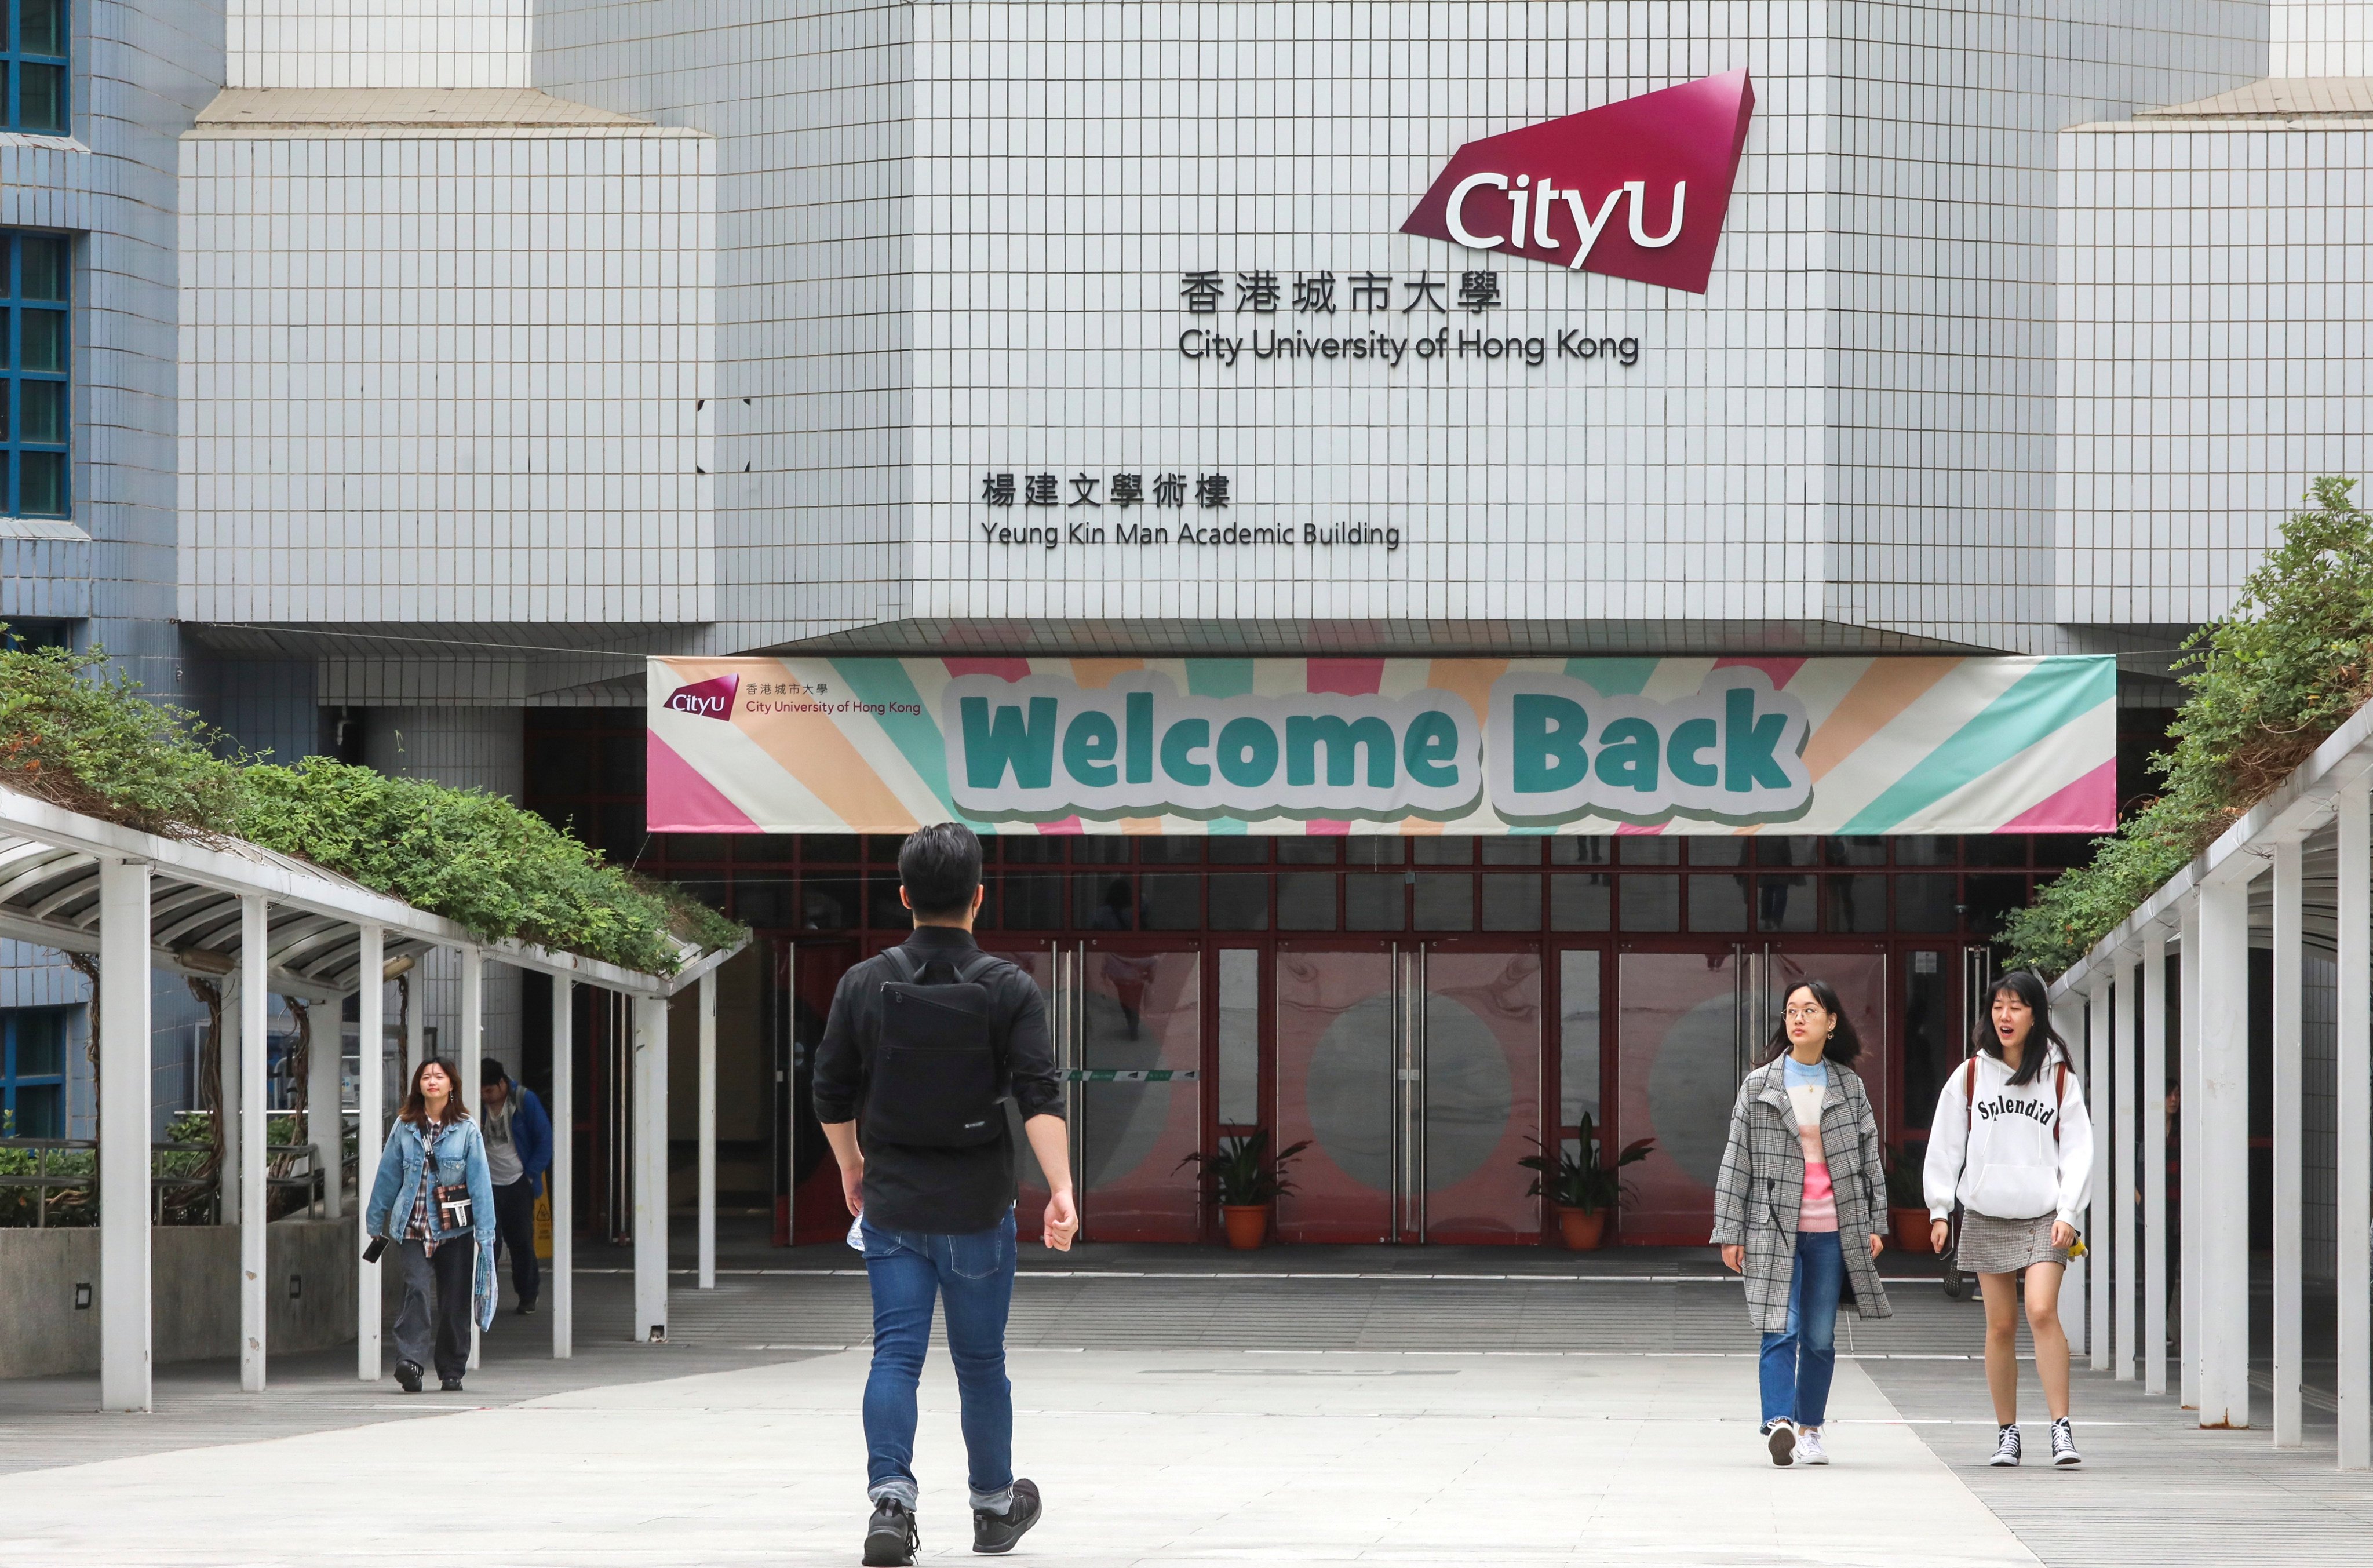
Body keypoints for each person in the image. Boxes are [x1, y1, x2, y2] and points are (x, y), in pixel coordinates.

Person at [814, 822, 1080, 1566]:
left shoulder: (863, 983)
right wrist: (1061, 1190)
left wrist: (851, 1164)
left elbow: (830, 1090)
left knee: (895, 1356)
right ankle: (994, 1509)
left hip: (894, 1204)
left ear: (904, 896)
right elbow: (1039, 1096)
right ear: (979, 898)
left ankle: (891, 1506)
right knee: (981, 1363)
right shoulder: (1009, 988)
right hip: (978, 1207)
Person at [1711, 979, 1891, 1467]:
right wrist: (1729, 1230)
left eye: (1809, 1010)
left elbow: (1867, 1158)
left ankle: (1809, 1428)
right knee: (1779, 1326)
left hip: (1834, 1228)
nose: (1797, 1018)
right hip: (1771, 1226)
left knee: (1818, 1336)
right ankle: (1778, 1422)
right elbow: (1736, 1159)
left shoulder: (1848, 1087)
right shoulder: (1759, 1084)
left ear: (1830, 1023)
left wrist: (1876, 1222)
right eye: (1791, 1010)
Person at [1923, 969, 2094, 1468]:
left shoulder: (2059, 1077)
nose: (2005, 1015)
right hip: (1986, 1212)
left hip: (2045, 1216)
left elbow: (2080, 1150)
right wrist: (1939, 1210)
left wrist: (2069, 1211)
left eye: (2016, 1006)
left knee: (2040, 1310)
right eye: (1998, 1006)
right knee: (1999, 1326)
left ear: (2035, 1014)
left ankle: (2060, 1428)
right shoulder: (1971, 1075)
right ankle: (2007, 1433)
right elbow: (1945, 1144)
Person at [364, 1056, 497, 1394]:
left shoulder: (467, 1129)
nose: (432, 1081)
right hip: (412, 1227)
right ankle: (409, 1362)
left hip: (455, 1230)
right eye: (426, 1077)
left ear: (452, 1085)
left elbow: (480, 1182)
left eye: (439, 1076)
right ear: (418, 1086)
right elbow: (388, 1175)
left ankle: (452, 1370)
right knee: (417, 1290)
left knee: (455, 1300)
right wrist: (375, 1219)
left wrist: (485, 1233)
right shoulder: (404, 1127)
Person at [479, 1056, 553, 1316]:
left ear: (502, 1084)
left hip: (518, 1181)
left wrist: (531, 1174)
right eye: (482, 1091)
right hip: (486, 1184)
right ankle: (485, 1297)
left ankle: (528, 1294)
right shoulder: (476, 1104)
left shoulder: (524, 1100)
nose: (485, 1096)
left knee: (521, 1240)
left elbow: (545, 1139)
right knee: (490, 1242)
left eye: (489, 1091)